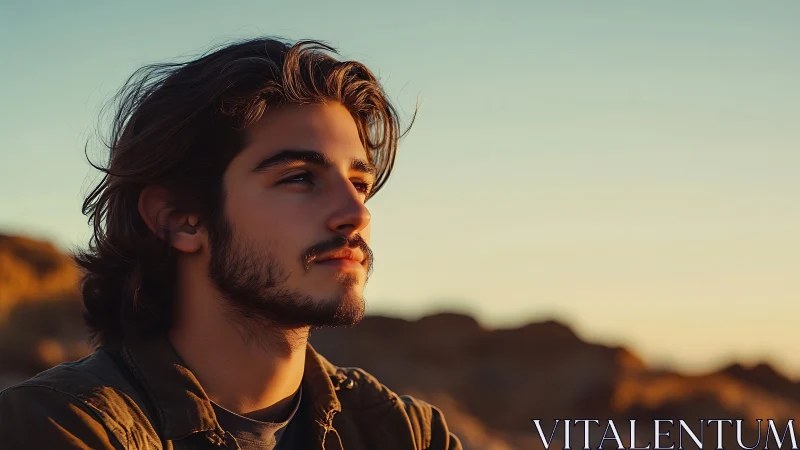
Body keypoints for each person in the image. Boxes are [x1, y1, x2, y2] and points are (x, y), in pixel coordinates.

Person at [0, 37, 462, 450]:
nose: (356, 213)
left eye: (359, 183)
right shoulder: (64, 427)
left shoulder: (405, 432)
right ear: (180, 220)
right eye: (300, 178)